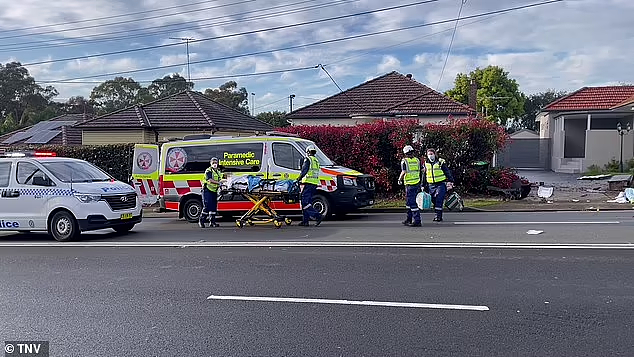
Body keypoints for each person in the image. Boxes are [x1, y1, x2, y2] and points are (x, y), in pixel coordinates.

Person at [422, 148, 454, 222]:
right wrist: (422, 185)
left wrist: (451, 180)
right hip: (431, 185)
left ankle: (438, 216)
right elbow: (424, 175)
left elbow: (447, 171)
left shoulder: (440, 162)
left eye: (431, 154)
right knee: (433, 200)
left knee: (439, 199)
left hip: (440, 184)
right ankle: (437, 212)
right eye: (429, 154)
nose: (430, 156)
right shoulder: (426, 163)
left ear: (435, 154)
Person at [296, 145, 323, 227]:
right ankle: (305, 221)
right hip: (314, 184)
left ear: (307, 152)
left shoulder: (308, 159)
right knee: (308, 202)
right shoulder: (316, 161)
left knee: (304, 202)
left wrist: (298, 179)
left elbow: (304, 170)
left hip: (308, 183)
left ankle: (317, 216)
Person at [398, 145, 422, 227]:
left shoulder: (404, 161)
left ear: (405, 153)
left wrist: (399, 180)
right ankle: (408, 219)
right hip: (417, 183)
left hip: (409, 185)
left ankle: (417, 220)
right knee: (408, 203)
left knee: (412, 203)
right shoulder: (417, 160)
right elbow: (422, 170)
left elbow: (403, 171)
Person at [199, 157, 223, 228]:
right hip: (207, 190)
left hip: (214, 191)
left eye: (216, 163)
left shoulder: (218, 172)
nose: (215, 164)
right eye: (213, 163)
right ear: (210, 163)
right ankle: (201, 221)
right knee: (207, 206)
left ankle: (212, 222)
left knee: (213, 207)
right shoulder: (208, 171)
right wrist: (219, 183)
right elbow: (210, 180)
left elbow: (220, 179)